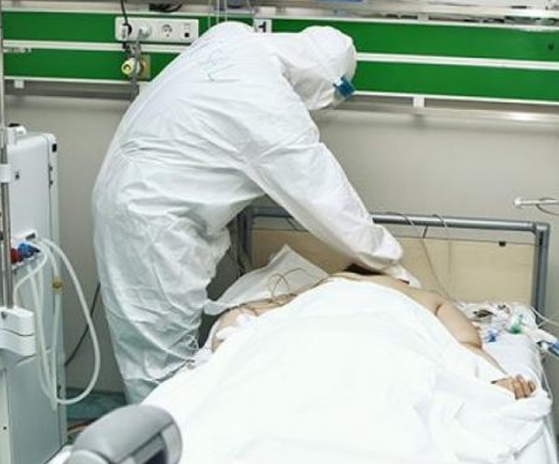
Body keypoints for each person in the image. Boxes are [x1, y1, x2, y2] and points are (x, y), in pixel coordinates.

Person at [93, 21, 409, 402]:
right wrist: (391, 264)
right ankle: (163, 434)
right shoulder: (269, 108)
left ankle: (157, 427)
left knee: (149, 351)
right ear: (326, 80)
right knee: (160, 365)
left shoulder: (230, 37)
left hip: (130, 191)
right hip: (152, 220)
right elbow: (329, 200)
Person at [208, 266, 538, 399]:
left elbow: (237, 317)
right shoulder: (419, 295)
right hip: (387, 338)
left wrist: (230, 356)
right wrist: (495, 379)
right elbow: (467, 344)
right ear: (400, 278)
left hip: (311, 334)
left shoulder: (319, 289)